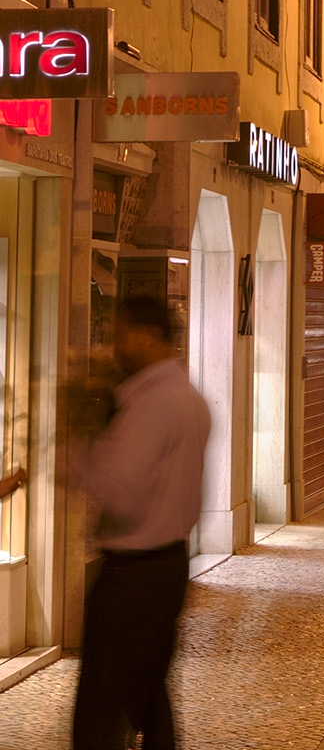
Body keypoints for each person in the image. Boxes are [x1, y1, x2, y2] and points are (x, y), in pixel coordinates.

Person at [72, 291, 210, 750]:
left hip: (133, 577)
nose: (114, 345)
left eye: (120, 334)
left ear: (147, 336)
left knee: (102, 704)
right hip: (167, 567)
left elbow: (121, 494)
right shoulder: (187, 397)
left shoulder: (152, 405)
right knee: (148, 692)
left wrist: (79, 449)